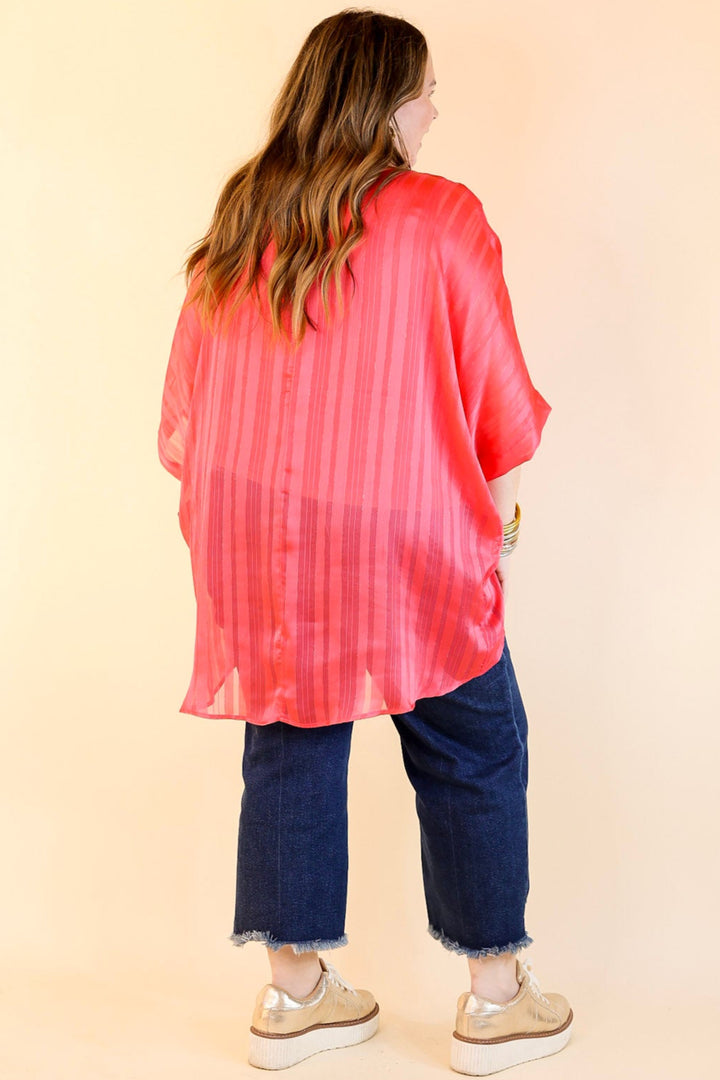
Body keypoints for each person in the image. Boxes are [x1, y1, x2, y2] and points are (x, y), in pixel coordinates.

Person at [157, 8, 573, 1075]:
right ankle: (496, 999)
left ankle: (295, 997)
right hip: (404, 528)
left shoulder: (244, 218)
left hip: (258, 529)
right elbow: (498, 403)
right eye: (426, 93)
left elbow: (189, 409)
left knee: (290, 735)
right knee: (473, 742)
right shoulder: (441, 216)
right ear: (387, 102)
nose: (434, 114)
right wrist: (499, 531)